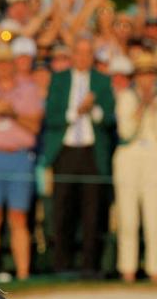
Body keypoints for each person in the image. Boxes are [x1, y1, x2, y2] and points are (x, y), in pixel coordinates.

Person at [41, 36, 115, 278]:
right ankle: (62, 265)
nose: (83, 57)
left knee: (92, 212)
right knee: (63, 210)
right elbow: (51, 115)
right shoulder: (60, 80)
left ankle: (90, 266)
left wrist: (92, 109)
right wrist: (75, 112)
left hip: (91, 152)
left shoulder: (102, 82)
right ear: (72, 55)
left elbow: (110, 118)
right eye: (79, 52)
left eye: (87, 52)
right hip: (66, 150)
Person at [0, 43, 43, 280]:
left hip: (19, 157)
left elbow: (34, 125)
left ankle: (23, 273)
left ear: (13, 64)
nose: (2, 67)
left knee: (19, 217)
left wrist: (12, 113)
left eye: (6, 62)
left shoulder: (28, 89)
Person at [112, 55, 157, 283]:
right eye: (142, 74)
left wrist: (154, 108)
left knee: (154, 217)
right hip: (129, 157)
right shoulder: (126, 97)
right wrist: (141, 106)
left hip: (155, 157)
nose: (146, 79)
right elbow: (126, 131)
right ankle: (127, 270)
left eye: (150, 74)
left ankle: (155, 271)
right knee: (128, 218)